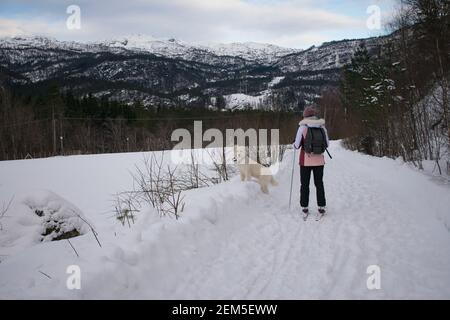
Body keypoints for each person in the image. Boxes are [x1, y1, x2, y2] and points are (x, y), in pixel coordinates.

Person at [293, 106, 329, 219]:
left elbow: (296, 145)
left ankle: (304, 207)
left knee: (305, 184)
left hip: (305, 161)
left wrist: (294, 143)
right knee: (319, 184)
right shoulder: (322, 127)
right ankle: (321, 207)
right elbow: (327, 144)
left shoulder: (302, 128)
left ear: (305, 116)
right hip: (319, 161)